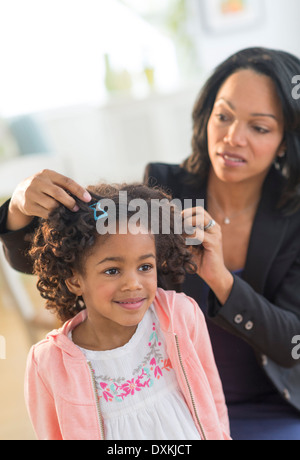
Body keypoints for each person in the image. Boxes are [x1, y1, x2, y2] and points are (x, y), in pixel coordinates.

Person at [0, 46, 300, 439]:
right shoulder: (169, 191)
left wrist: (222, 280)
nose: (232, 137)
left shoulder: (292, 218)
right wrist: (19, 210)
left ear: (284, 140)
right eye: (223, 116)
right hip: (170, 397)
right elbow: (66, 252)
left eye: (259, 127)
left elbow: (291, 344)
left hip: (269, 403)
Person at [23, 183, 230, 440]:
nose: (133, 284)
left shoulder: (181, 315)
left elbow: (213, 400)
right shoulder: (49, 363)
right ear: (75, 280)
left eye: (145, 266)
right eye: (112, 271)